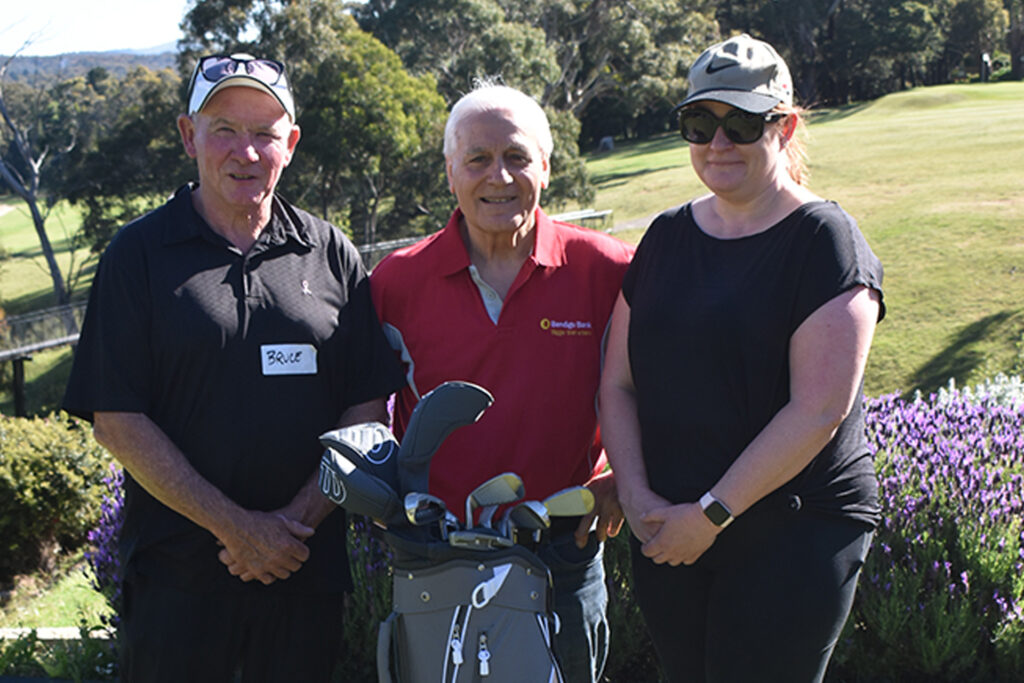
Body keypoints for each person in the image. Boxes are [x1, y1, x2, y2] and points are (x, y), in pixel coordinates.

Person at [62, 53, 405, 682]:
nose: (244, 152)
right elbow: (115, 418)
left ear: (291, 144)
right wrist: (238, 528)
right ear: (189, 136)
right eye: (223, 128)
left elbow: (365, 408)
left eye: (265, 133)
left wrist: (293, 525)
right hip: (177, 587)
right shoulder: (136, 255)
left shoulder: (331, 254)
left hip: (305, 575)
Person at [598, 34, 885, 683]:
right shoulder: (666, 235)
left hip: (791, 532)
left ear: (783, 127)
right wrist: (640, 497)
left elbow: (818, 409)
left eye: (742, 123)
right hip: (668, 530)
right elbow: (616, 383)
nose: (718, 142)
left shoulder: (824, 240)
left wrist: (710, 514)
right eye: (700, 123)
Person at [370, 82, 634, 683]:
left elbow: (666, 390)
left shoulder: (610, 269)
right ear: (449, 172)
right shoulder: (395, 282)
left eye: (517, 157)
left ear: (546, 166)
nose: (499, 176)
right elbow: (365, 414)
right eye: (478, 159)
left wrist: (627, 476)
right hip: (436, 559)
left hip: (563, 558)